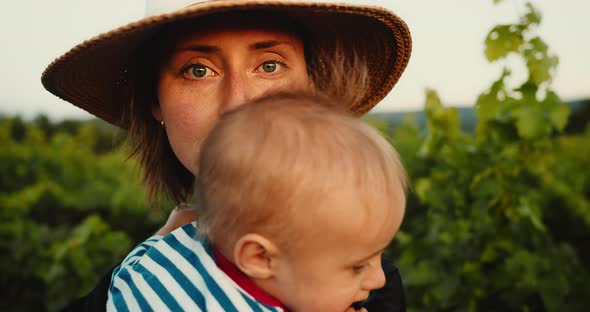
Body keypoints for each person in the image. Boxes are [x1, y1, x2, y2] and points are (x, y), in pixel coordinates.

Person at [42, 1, 412, 311]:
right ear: (155, 100)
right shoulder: (126, 289)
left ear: (311, 88)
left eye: (269, 65)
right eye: (198, 70)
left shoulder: (367, 289)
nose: (238, 103)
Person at [108, 93, 407, 312]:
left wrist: (163, 234)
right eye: (357, 267)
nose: (378, 279)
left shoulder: (166, 248)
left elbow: (127, 272)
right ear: (260, 258)